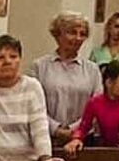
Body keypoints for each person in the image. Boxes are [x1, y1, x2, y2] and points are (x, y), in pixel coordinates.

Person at [30, 12, 102, 145]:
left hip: (81, 140)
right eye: (72, 32)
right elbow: (32, 105)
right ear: (58, 34)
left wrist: (75, 129)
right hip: (45, 137)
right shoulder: (39, 66)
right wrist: (55, 129)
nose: (78, 38)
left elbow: (98, 106)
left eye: (82, 34)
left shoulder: (92, 69)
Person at [64, 61, 119, 155]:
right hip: (108, 152)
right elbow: (83, 128)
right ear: (109, 83)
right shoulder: (95, 103)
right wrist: (76, 139)